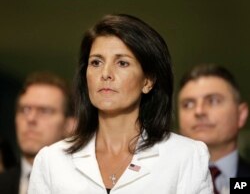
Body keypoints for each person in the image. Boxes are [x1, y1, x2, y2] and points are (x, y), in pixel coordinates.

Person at [28, 14, 213, 194]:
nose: (106, 73)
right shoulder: (51, 161)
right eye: (96, 62)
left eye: (122, 63)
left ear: (147, 81)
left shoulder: (186, 156)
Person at [178, 63, 250, 194]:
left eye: (213, 101)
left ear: (241, 115)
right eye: (188, 104)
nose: (199, 111)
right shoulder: (156, 182)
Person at [0, 72, 76, 194]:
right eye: (24, 109)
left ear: (69, 125)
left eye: (44, 111)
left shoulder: (85, 185)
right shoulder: (2, 183)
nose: (30, 118)